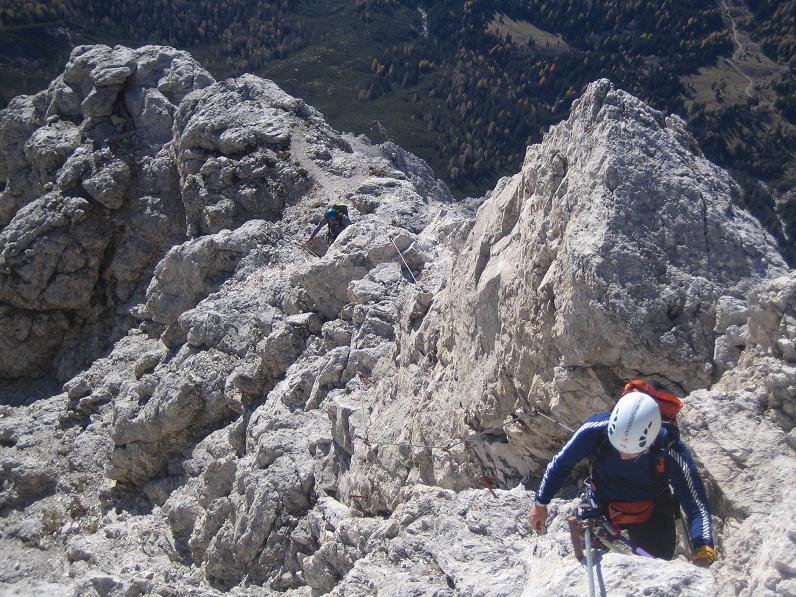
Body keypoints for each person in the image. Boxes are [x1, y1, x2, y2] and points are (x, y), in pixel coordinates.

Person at [528, 386, 716, 566]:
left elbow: (696, 504)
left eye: (632, 452)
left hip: (651, 513)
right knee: (587, 561)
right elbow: (560, 464)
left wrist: (703, 548)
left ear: (650, 441)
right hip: (602, 506)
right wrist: (541, 503)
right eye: (618, 447)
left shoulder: (668, 449)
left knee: (655, 567)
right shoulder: (595, 429)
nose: (622, 455)